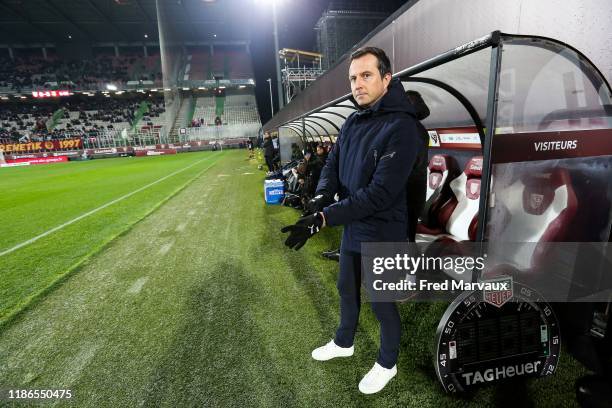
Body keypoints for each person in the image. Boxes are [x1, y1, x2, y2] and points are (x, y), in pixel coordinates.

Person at [281, 46, 424, 394]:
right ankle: (344, 342)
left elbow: (379, 194)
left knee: (381, 302)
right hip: (354, 226)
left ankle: (387, 363)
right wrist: (319, 198)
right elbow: (332, 166)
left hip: (384, 229)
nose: (357, 84)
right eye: (353, 78)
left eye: (366, 75)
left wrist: (325, 218)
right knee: (346, 288)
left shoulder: (403, 127)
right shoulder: (352, 121)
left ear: (386, 79)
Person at [404, 90, 431, 241]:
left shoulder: (412, 130)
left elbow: (409, 163)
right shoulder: (419, 129)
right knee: (408, 234)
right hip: (415, 192)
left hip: (409, 193)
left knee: (406, 236)